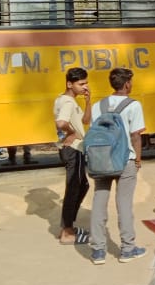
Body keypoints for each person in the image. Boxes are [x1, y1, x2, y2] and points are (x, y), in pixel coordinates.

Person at [89, 67, 146, 265]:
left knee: (98, 202)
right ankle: (127, 249)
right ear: (127, 84)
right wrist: (138, 158)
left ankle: (98, 251)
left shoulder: (99, 105)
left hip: (101, 160)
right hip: (125, 160)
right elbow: (136, 136)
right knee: (124, 204)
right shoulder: (133, 105)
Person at [54, 67, 92, 245]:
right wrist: (71, 133)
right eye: (81, 83)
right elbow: (61, 122)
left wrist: (88, 102)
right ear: (70, 84)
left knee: (82, 185)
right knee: (74, 188)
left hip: (73, 149)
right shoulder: (68, 102)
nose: (85, 86)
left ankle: (68, 226)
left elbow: (84, 121)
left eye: (86, 83)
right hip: (73, 150)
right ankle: (67, 232)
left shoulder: (65, 100)